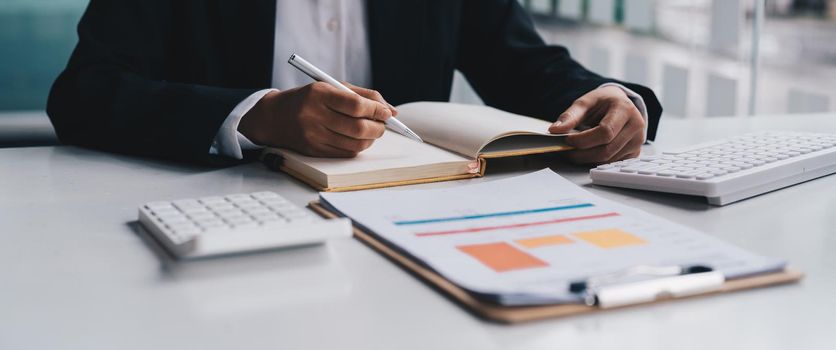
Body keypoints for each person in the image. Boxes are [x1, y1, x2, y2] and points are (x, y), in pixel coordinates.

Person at [47, 0, 662, 166]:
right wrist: (255, 116)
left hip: (414, 219)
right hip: (232, 217)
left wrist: (610, 97)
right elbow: (85, 91)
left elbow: (524, 63)